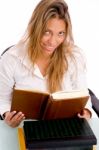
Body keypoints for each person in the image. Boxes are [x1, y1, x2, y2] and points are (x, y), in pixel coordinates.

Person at [0, 0, 97, 127]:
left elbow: (84, 97)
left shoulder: (74, 57)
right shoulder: (12, 58)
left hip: (65, 128)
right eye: (47, 32)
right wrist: (7, 115)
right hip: (25, 128)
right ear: (35, 28)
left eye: (60, 33)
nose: (53, 41)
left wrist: (87, 113)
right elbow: (2, 99)